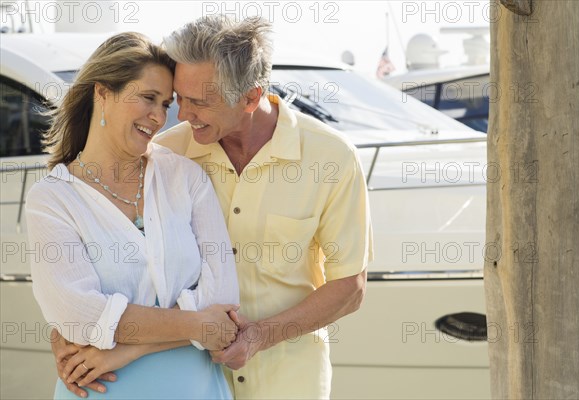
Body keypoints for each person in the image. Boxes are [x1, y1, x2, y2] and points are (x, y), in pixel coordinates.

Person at [54, 15, 373, 399]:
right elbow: (123, 267)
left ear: (251, 98)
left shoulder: (332, 157)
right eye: (180, 99)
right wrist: (68, 331)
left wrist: (258, 337)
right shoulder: (167, 154)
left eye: (200, 103)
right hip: (190, 379)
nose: (184, 115)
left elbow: (349, 287)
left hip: (289, 382)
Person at [26, 32, 240, 399]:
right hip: (100, 389)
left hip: (194, 386)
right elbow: (79, 316)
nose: (158, 117)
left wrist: (126, 348)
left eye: (166, 104)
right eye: (147, 98)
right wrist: (196, 325)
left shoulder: (185, 177)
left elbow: (222, 297)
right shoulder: (52, 199)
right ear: (102, 93)